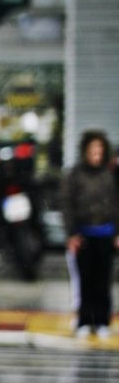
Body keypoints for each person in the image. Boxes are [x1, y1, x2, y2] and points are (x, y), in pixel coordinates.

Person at [60, 129, 119, 338]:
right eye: (93, 149)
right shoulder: (75, 175)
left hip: (106, 234)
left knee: (103, 281)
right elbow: (67, 205)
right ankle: (84, 320)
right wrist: (71, 233)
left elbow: (115, 205)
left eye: (100, 149)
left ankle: (102, 321)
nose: (96, 153)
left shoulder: (110, 175)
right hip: (83, 235)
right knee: (84, 281)